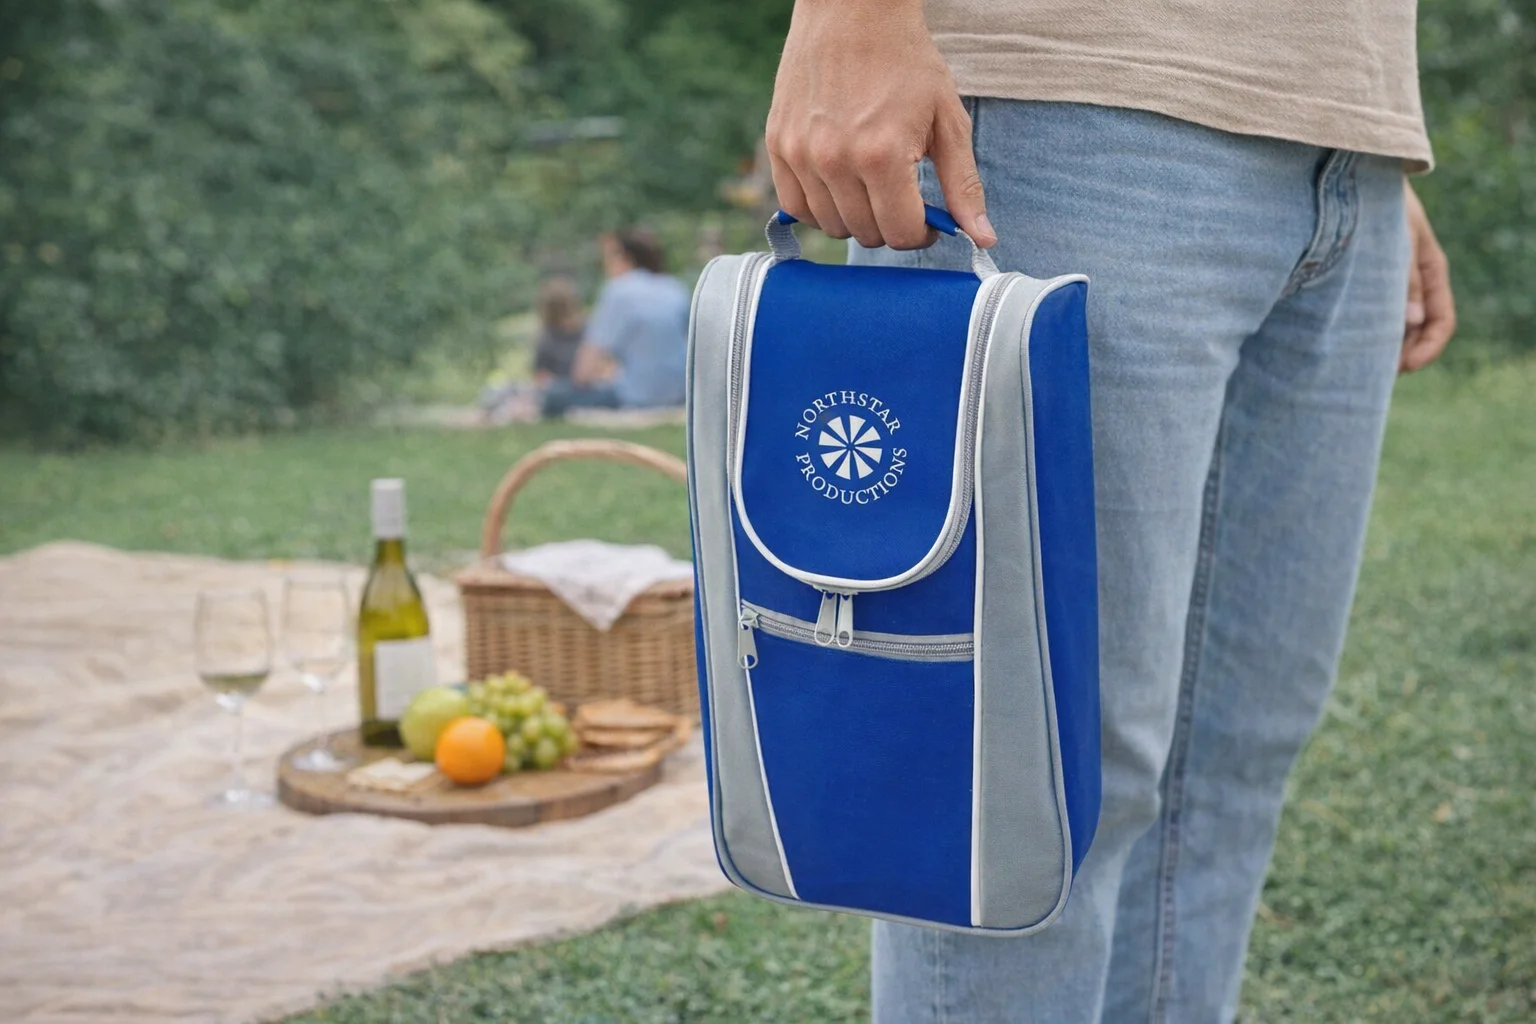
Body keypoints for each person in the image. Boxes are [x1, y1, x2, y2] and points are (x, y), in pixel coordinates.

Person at [764, 2, 1457, 1022]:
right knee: (1029, 779)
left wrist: (1350, 128)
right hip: (1070, 107)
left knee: (1230, 754)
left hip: (1347, 149)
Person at [541, 228, 690, 418]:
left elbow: (585, 370)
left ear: (625, 257)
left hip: (637, 397)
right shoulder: (675, 288)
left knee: (553, 396)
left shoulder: (619, 290)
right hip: (679, 394)